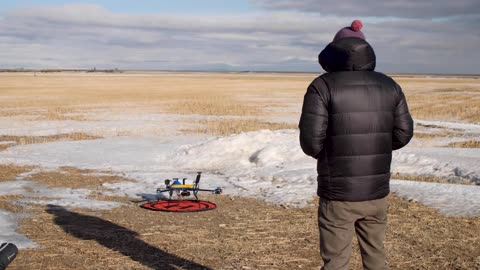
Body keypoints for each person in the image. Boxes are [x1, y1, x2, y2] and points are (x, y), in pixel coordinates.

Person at [298, 20, 413, 270]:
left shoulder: (322, 85)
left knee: (336, 262)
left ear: (335, 50)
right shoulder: (389, 85)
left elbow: (310, 142)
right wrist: (375, 148)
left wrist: (335, 155)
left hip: (337, 193)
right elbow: (403, 133)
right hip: (376, 192)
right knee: (376, 258)